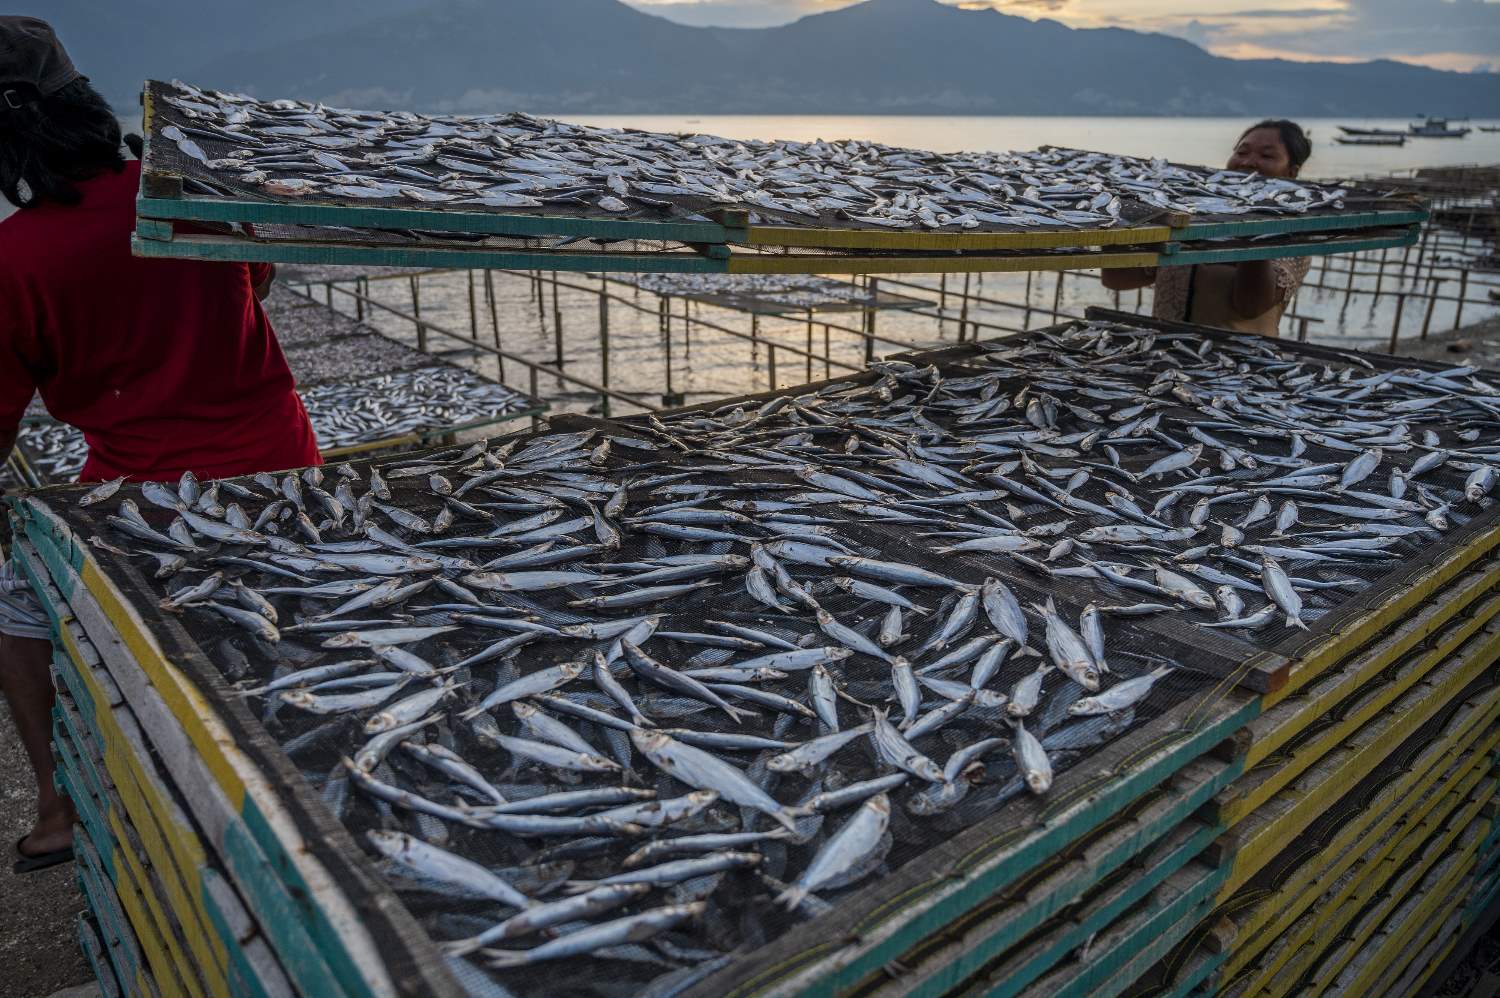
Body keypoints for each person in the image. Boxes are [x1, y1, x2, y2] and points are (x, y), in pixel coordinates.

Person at [0, 17, 322, 873]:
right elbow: (256, 283)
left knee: (10, 611)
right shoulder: (186, 192)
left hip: (142, 498)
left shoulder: (14, 257)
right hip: (289, 465)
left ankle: (59, 807)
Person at [1101, 120, 1314, 337]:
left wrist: (1255, 227)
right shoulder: (1197, 218)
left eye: (1266, 156)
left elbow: (1250, 307)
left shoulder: (1293, 235)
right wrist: (1117, 211)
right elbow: (1116, 278)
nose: (1248, 162)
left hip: (1238, 363)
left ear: (1291, 172)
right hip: (1165, 356)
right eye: (1242, 152)